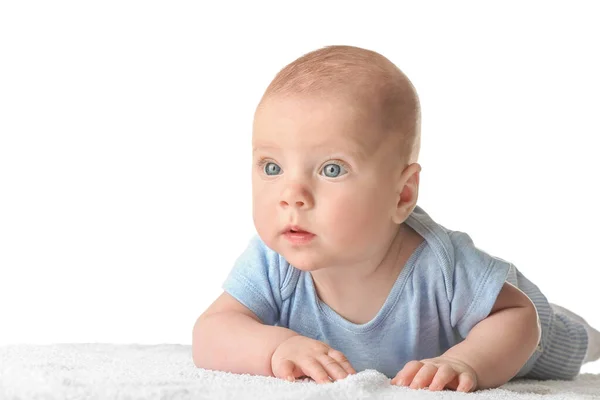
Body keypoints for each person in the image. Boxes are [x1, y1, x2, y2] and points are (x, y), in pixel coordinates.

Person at [191, 45, 600, 392]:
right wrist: (276, 348)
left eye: (332, 169)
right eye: (271, 167)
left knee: (573, 336)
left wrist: (467, 361)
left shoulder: (442, 265)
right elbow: (211, 331)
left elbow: (518, 315)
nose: (291, 196)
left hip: (527, 335)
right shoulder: (272, 262)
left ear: (401, 194)